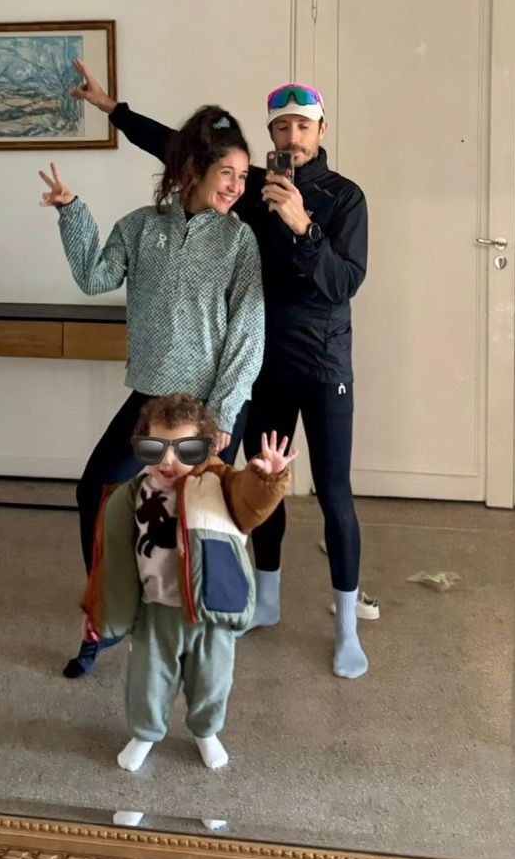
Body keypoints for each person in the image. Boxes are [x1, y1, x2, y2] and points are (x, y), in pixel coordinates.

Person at [69, 67, 372, 680]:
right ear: (271, 133)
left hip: (318, 364)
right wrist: (114, 109)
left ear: (321, 130)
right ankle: (259, 600)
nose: (292, 136)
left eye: (303, 125)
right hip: (262, 369)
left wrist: (303, 226)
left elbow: (344, 283)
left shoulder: (345, 198)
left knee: (330, 494)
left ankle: (345, 624)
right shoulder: (250, 186)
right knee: (254, 490)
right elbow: (180, 148)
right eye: (282, 126)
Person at [39, 105, 265, 677]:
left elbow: (247, 333)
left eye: (243, 176)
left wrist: (222, 416)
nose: (237, 187)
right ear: (193, 170)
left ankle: (198, 635)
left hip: (209, 409)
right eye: (227, 174)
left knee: (199, 521)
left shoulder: (239, 241)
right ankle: (110, 612)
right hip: (150, 401)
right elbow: (94, 276)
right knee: (97, 492)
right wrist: (72, 211)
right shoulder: (141, 227)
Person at [81, 393, 294, 771]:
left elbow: (252, 503)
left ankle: (206, 731)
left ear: (206, 450)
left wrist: (267, 477)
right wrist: (101, 611)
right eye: (154, 448)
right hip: (155, 610)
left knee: (213, 680)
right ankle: (145, 733)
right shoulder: (132, 495)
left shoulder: (221, 485)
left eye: (186, 450)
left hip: (209, 613)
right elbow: (113, 560)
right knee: (147, 681)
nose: (168, 460)